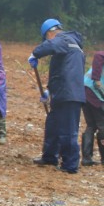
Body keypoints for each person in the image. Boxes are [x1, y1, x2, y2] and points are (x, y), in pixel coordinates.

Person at [28, 18, 85, 173]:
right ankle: (49, 157)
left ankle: (70, 165)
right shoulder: (72, 46)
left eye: (46, 37)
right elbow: (63, 72)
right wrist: (49, 91)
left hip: (70, 94)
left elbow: (50, 45)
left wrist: (35, 54)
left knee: (68, 130)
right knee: (53, 125)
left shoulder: (64, 39)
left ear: (50, 33)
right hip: (62, 92)